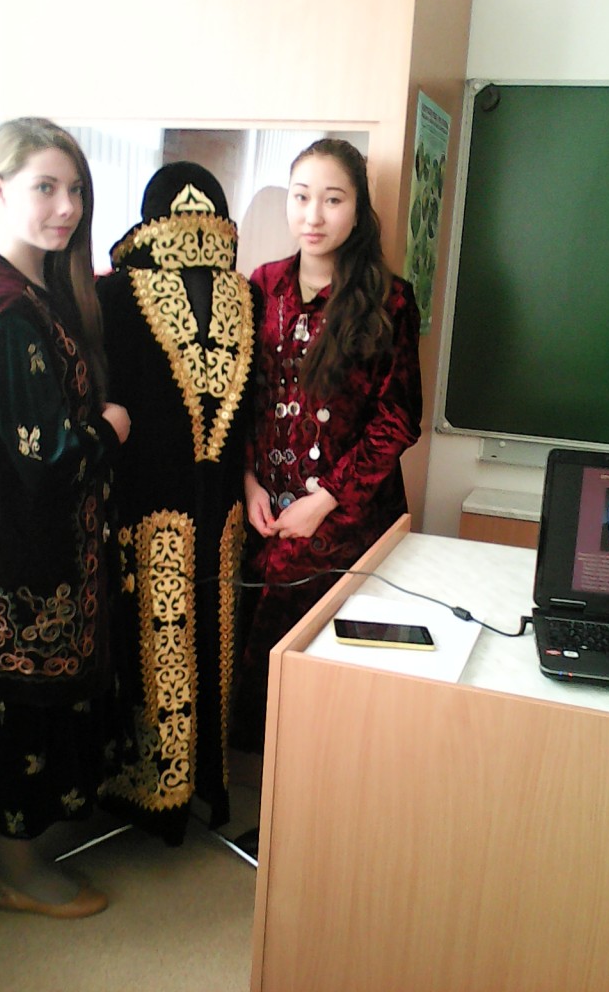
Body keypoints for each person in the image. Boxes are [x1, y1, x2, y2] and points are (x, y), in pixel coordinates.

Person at [0, 118, 131, 919]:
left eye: (75, 189)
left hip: (36, 563)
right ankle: (16, 873)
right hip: (19, 571)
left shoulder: (24, 291)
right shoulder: (8, 310)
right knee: (18, 725)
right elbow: (47, 459)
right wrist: (111, 429)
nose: (67, 207)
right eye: (45, 187)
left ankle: (20, 859)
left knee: (33, 724)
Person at [231, 137, 423, 756]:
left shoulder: (391, 299)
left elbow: (398, 419)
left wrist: (327, 500)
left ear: (358, 207)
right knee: (256, 669)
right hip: (264, 514)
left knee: (329, 682)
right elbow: (241, 400)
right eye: (301, 197)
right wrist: (249, 481)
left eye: (332, 200)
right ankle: (262, 789)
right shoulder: (260, 287)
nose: (313, 215)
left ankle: (319, 786)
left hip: (348, 520)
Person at [97, 162, 257, 845]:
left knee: (213, 649)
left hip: (210, 517)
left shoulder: (247, 295)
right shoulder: (113, 295)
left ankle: (195, 783)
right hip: (153, 516)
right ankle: (162, 790)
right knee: (154, 653)